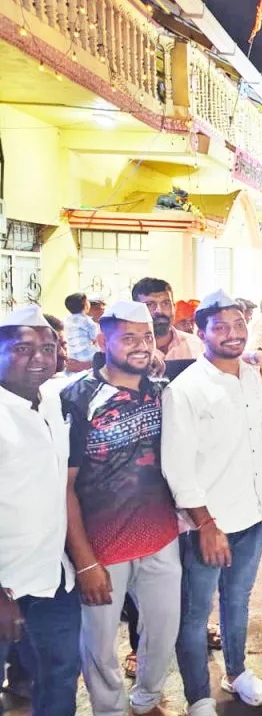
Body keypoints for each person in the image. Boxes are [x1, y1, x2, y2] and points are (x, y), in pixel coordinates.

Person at [61, 300, 181, 716]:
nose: (141, 346)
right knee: (98, 642)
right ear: (102, 340)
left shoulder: (164, 391)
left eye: (146, 336)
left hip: (161, 537)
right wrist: (84, 561)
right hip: (101, 546)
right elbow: (65, 487)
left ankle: (147, 697)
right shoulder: (77, 399)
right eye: (128, 337)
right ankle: (108, 709)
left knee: (164, 629)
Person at [161, 290, 262, 713]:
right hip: (208, 525)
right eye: (221, 326)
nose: (232, 334)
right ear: (200, 330)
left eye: (239, 325)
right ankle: (198, 696)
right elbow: (177, 467)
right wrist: (206, 524)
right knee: (194, 615)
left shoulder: (251, 377)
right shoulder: (185, 389)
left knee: (238, 600)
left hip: (252, 514)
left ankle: (236, 672)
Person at [0, 305, 79, 716]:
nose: (39, 359)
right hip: (6, 581)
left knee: (62, 671)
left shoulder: (51, 400)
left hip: (52, 577)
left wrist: (252, 357)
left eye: (48, 348)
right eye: (23, 348)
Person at [132, 278, 204, 362]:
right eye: (150, 305)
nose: (159, 311)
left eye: (166, 303)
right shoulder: (129, 351)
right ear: (136, 310)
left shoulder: (196, 345)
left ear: (174, 307)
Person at [64, 291, 100, 372]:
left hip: (72, 354)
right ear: (85, 305)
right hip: (87, 355)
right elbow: (95, 337)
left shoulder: (67, 319)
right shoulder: (87, 321)